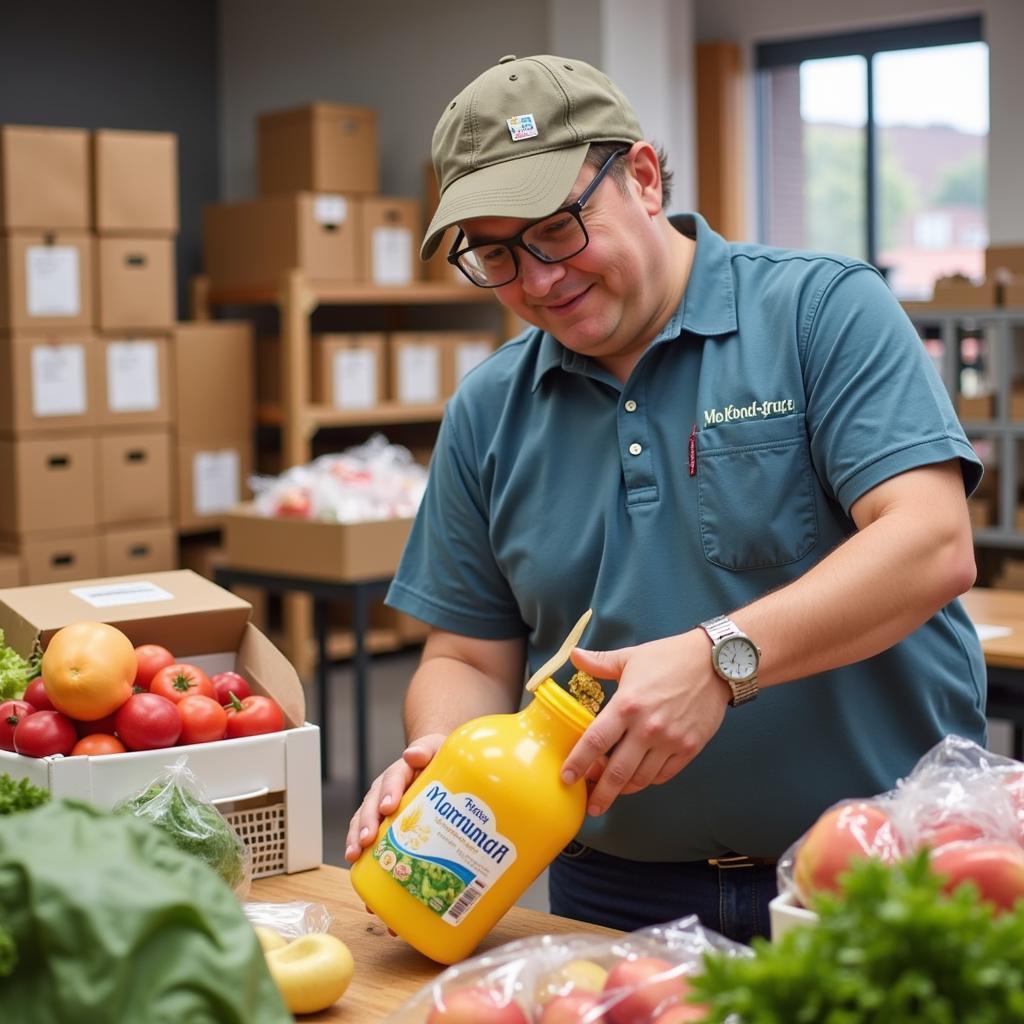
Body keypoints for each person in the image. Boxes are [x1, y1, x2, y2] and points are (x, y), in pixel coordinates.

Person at [344, 53, 986, 944]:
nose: (535, 280)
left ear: (641, 177)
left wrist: (723, 659)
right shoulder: (489, 408)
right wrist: (440, 762)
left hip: (877, 872)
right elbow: (465, 653)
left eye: (557, 230)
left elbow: (931, 542)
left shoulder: (821, 312)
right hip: (612, 893)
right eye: (493, 253)